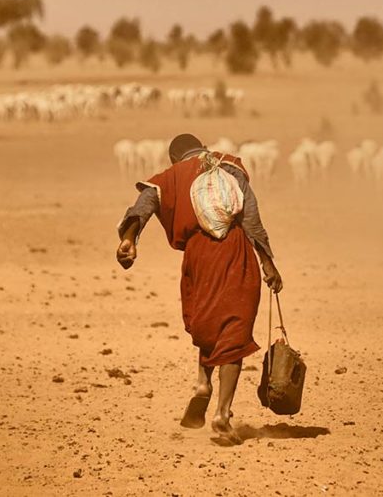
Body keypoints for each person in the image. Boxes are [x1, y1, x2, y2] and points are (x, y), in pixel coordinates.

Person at [115, 133, 282, 445]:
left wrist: (129, 238)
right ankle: (222, 413)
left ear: (174, 159)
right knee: (234, 327)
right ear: (203, 148)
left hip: (197, 257)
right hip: (235, 252)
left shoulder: (170, 177)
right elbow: (251, 218)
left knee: (208, 321)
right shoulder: (229, 166)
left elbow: (145, 203)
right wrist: (267, 262)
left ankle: (203, 384)